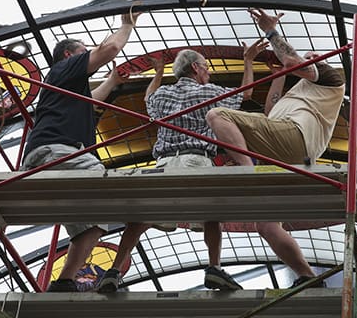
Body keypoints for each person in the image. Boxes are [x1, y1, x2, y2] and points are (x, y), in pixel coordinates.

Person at [97, 40, 268, 293]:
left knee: (140, 218)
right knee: (212, 214)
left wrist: (157, 73)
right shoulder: (209, 91)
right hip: (196, 160)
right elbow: (245, 95)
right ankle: (214, 269)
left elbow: (148, 97)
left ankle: (113, 271)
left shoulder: (163, 94)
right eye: (206, 67)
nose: (208, 72)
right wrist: (248, 60)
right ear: (196, 68)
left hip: (164, 163)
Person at [206, 7, 345, 288]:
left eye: (310, 59)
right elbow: (270, 112)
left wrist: (270, 31)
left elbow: (295, 59)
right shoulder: (300, 91)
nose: (307, 60)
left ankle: (248, 173)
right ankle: (307, 276)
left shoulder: (331, 76)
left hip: (295, 138)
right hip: (287, 153)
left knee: (216, 115)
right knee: (266, 225)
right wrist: (280, 74)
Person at [21, 12, 140, 293]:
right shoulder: (63, 69)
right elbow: (109, 49)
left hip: (55, 158)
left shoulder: (67, 87)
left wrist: (112, 82)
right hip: (56, 152)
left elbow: (88, 102)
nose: (89, 55)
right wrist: (127, 25)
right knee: (111, 184)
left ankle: (63, 282)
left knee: (94, 225)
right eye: (84, 51)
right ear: (68, 55)